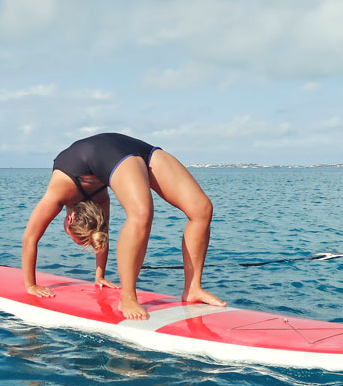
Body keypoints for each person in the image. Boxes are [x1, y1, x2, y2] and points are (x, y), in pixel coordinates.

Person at [21, 133, 224, 320]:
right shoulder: (99, 200)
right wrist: (99, 275)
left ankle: (131, 296)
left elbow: (30, 238)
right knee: (201, 209)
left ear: (70, 221)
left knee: (146, 213)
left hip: (114, 154)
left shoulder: (58, 193)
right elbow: (103, 233)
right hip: (132, 150)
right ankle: (192, 289)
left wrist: (31, 285)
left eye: (81, 240)